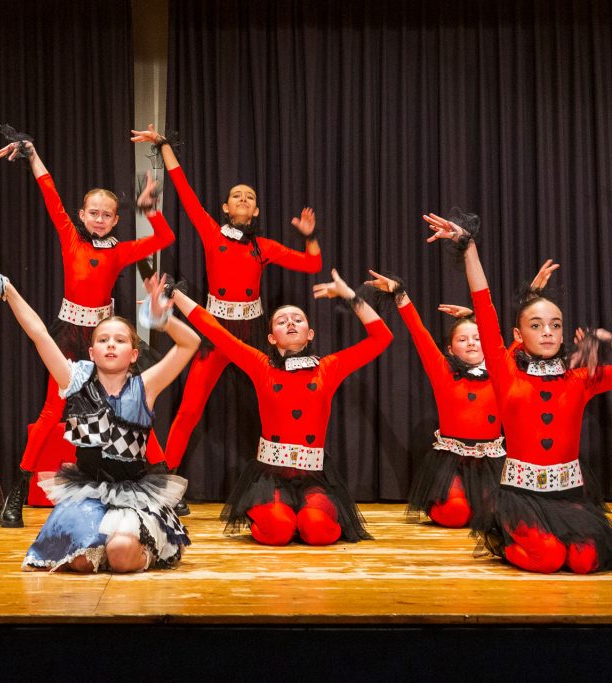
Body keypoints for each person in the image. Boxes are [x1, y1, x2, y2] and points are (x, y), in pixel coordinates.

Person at [130, 125, 322, 499]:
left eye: (250, 197)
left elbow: (313, 265)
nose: (243, 199)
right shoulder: (211, 231)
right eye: (237, 196)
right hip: (214, 331)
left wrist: (310, 236)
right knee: (189, 409)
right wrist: (164, 145)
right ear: (225, 208)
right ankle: (164, 485)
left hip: (253, 332)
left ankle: (284, 482)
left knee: (275, 406)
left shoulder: (263, 246)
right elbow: (184, 190)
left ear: (256, 210)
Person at [0, 132, 175, 527]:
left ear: (116, 219)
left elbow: (165, 238)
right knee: (51, 410)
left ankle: (160, 480)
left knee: (133, 404)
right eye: (93, 212)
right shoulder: (70, 239)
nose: (99, 219)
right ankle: (17, 493)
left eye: (107, 214)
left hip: (105, 337)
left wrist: (150, 208)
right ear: (82, 214)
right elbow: (50, 194)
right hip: (69, 336)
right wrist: (33, 154)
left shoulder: (120, 251)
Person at [0, 269, 199, 571]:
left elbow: (190, 343)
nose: (111, 344)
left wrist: (162, 320)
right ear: (91, 352)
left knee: (121, 554)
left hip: (133, 495)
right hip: (88, 492)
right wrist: (8, 291)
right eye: (103, 340)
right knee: (79, 562)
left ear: (133, 354)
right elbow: (39, 333)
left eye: (119, 340)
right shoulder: (75, 380)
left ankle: (140, 550)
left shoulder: (145, 386)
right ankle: (100, 548)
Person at [424, 211, 612, 573]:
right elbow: (483, 303)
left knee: (586, 561)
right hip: (521, 498)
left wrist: (607, 340)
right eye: (536, 325)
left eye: (555, 325)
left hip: (567, 496)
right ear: (517, 335)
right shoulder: (505, 372)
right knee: (549, 558)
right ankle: (507, 544)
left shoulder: (579, 378)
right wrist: (467, 245)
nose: (547, 331)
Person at [169, 269, 391, 545]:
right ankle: (281, 516)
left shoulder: (329, 367)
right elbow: (214, 329)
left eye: (298, 319)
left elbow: (382, 338)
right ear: (271, 337)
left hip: (314, 475)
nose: (290, 323)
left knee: (318, 531)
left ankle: (304, 517)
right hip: (271, 476)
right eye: (281, 321)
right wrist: (174, 294)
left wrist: (349, 295)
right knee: (277, 531)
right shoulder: (261, 365)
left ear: (310, 334)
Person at [366, 263, 559, 528]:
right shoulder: (442, 371)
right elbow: (419, 333)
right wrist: (400, 294)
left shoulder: (501, 370)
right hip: (451, 462)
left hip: (489, 461)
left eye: (478, 338)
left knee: (497, 515)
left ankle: (477, 504)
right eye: (463, 339)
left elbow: (522, 337)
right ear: (450, 348)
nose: (471, 343)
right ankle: (451, 502)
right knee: (455, 514)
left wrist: (533, 296)